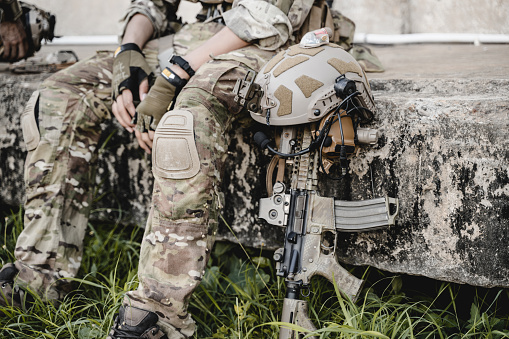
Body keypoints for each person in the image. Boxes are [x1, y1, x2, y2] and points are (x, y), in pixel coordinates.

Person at [0, 0, 361, 337]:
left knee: (187, 115)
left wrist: (174, 76)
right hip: (197, 38)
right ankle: (38, 274)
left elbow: (266, 15)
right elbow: (153, 5)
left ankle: (160, 313)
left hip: (269, 44)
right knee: (62, 93)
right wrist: (128, 54)